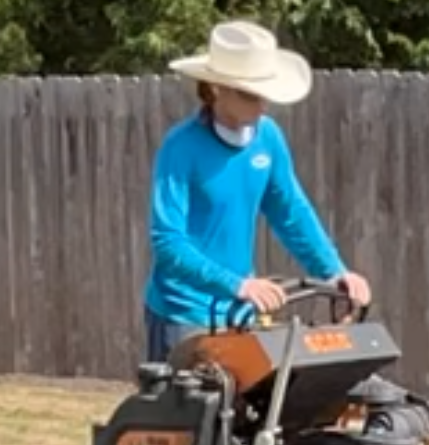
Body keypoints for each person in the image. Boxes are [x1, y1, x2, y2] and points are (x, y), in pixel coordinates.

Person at [142, 19, 371, 362]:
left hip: (240, 315)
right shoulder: (181, 148)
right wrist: (239, 285)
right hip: (183, 317)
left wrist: (335, 273)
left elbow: (291, 212)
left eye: (264, 93)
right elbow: (168, 243)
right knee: (190, 414)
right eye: (250, 94)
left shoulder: (268, 139)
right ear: (216, 89)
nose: (262, 105)